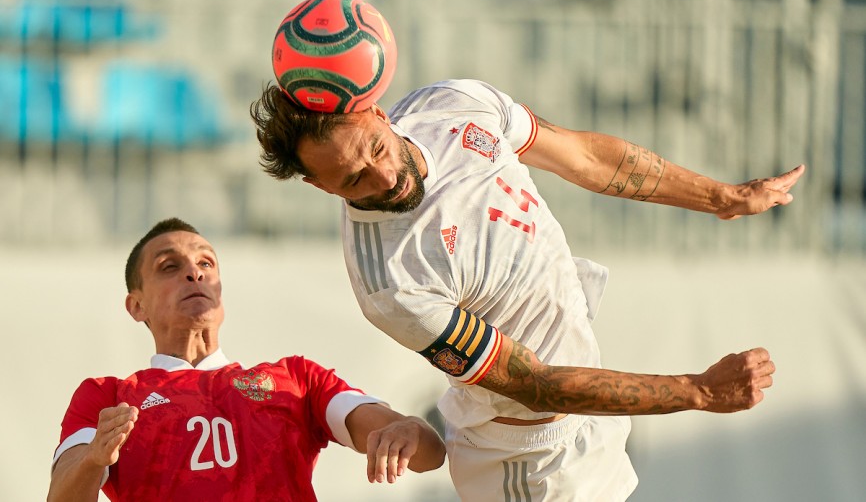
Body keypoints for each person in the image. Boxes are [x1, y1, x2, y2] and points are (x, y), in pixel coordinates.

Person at [250, 79, 802, 501]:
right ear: (318, 185)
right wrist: (698, 391)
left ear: (376, 112)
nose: (383, 177)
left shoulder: (452, 104)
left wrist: (722, 198)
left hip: (587, 423)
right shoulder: (389, 281)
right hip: (530, 467)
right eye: (353, 180)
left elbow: (586, 158)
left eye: (376, 148)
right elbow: (536, 385)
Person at [48, 218, 445, 502]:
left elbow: (429, 454)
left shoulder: (299, 379)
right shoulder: (108, 398)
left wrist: (410, 429)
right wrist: (93, 459)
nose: (194, 273)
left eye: (206, 263)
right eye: (169, 266)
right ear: (137, 306)